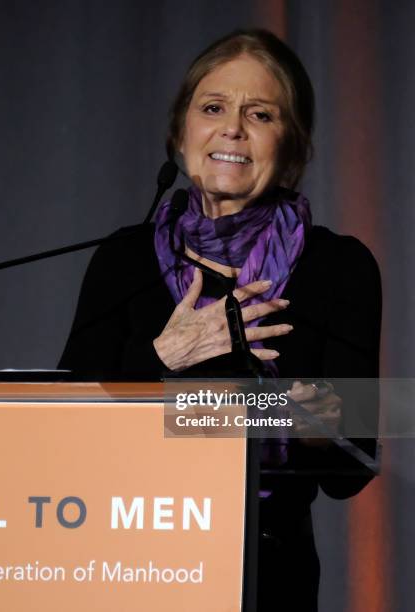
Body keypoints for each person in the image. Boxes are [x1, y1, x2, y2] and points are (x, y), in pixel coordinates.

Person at [59, 29, 381, 611]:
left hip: (267, 574)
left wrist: (318, 428)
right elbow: (64, 429)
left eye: (259, 114)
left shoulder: (340, 266)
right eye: (213, 108)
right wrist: (163, 358)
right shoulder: (123, 259)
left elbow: (352, 469)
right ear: (181, 131)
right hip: (128, 560)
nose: (232, 128)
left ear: (294, 145)